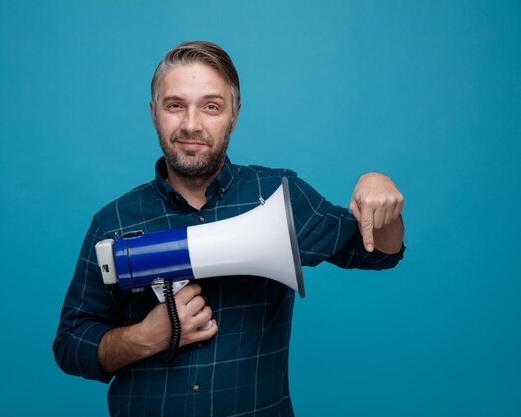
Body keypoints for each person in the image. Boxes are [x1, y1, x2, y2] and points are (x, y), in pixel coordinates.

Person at [53, 40, 405, 417]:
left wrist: (378, 187)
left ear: (234, 114)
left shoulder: (276, 197)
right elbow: (71, 345)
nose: (191, 124)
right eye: (175, 105)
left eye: (211, 106)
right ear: (154, 113)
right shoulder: (114, 222)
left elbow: (379, 254)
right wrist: (146, 337)